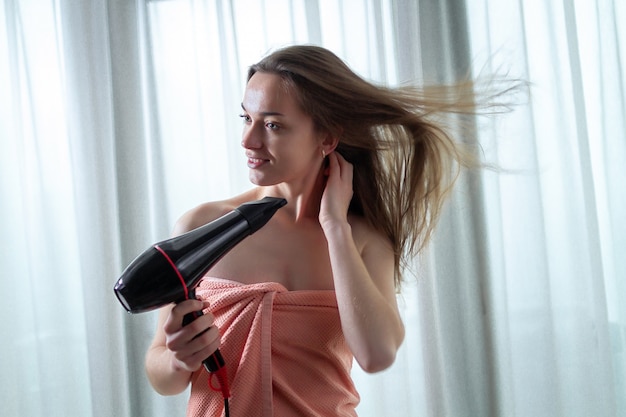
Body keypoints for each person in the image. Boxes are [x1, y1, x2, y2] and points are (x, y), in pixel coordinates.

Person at [145, 44, 504, 416]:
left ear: (327, 138)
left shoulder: (364, 240)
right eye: (245, 118)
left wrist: (335, 228)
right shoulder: (201, 227)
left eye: (272, 125)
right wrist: (177, 359)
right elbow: (161, 374)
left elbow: (376, 355)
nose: (248, 140)